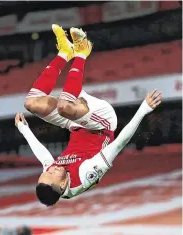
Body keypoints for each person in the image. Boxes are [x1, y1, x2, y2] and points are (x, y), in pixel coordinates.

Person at [15, 25, 162, 206]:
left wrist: (25, 130)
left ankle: (64, 52)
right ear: (62, 186)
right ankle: (82, 52)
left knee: (32, 103)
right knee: (64, 107)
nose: (50, 168)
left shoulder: (50, 179)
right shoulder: (84, 176)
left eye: (46, 172)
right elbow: (119, 144)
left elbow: (44, 157)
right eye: (52, 173)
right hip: (102, 124)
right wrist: (143, 109)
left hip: (76, 126)